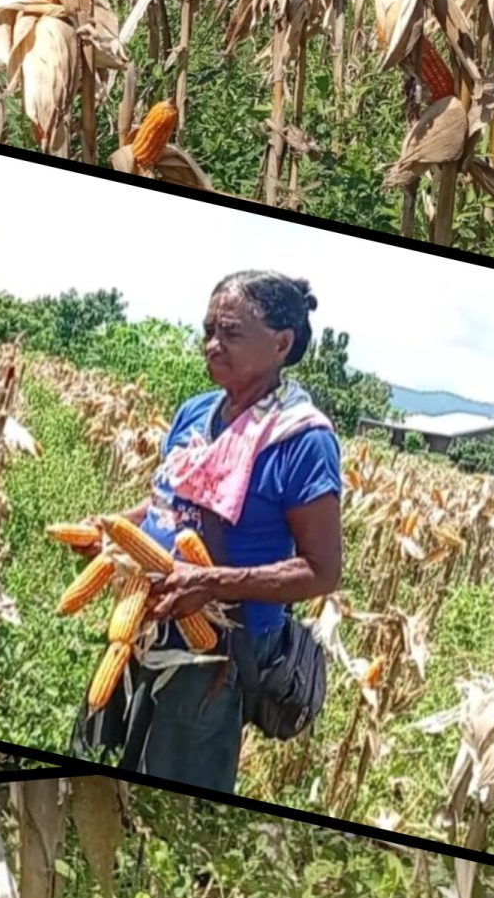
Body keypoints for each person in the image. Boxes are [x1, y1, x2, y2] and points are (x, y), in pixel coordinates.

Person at [72, 270, 344, 791]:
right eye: (208, 332)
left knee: (168, 805)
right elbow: (167, 504)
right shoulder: (195, 412)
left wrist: (212, 583)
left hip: (216, 652)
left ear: (282, 343)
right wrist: (112, 529)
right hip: (142, 624)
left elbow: (321, 570)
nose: (212, 345)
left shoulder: (303, 442)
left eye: (231, 333)